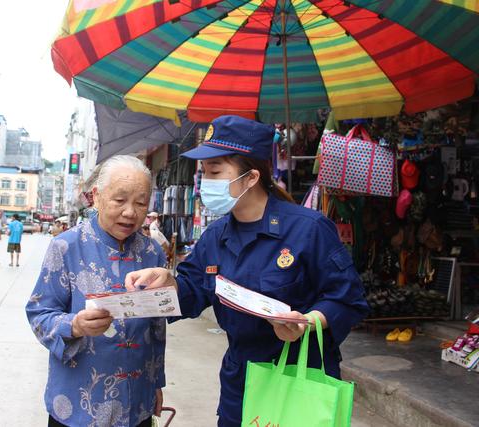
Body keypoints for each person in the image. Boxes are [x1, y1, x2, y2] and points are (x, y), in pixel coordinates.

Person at [125, 116, 369, 427]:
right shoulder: (215, 236)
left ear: (251, 177)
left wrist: (306, 323)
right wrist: (168, 281)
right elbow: (193, 291)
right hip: (240, 382)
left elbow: (347, 299)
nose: (204, 182)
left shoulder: (308, 229)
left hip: (299, 378)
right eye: (204, 172)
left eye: (214, 172)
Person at [26, 155, 167, 427]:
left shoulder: (153, 253)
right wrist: (74, 325)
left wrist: (156, 382)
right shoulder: (65, 247)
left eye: (140, 203)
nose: (130, 212)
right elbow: (38, 314)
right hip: (77, 406)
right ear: (97, 197)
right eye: (119, 200)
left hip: (136, 402)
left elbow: (156, 327)